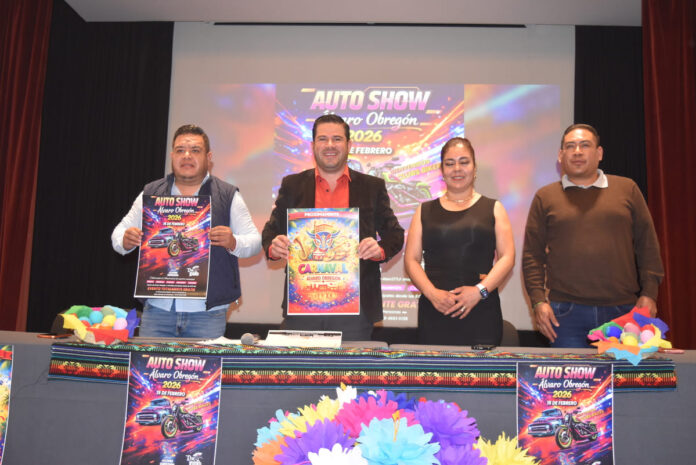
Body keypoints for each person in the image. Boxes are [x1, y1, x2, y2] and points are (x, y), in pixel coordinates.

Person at [262, 114, 404, 340]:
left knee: (350, 365)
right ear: (313, 145)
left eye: (337, 139)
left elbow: (395, 234)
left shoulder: (372, 186)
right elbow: (270, 232)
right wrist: (274, 246)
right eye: (323, 139)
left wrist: (379, 249)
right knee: (298, 364)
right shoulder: (293, 185)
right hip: (303, 304)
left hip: (355, 309)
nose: (330, 145)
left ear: (349, 145)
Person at [112, 124, 261, 338]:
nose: (187, 156)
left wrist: (233, 242)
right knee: (150, 361)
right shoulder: (151, 192)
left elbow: (255, 242)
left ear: (209, 157)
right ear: (172, 155)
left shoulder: (227, 195)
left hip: (207, 314)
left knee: (201, 363)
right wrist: (125, 241)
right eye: (180, 150)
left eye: (195, 150)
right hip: (158, 310)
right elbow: (119, 233)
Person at [522, 123, 664, 348]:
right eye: (570, 146)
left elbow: (647, 245)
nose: (577, 151)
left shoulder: (627, 189)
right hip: (565, 315)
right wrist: (538, 301)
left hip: (623, 311)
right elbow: (532, 256)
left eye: (585, 145)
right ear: (560, 155)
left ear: (599, 153)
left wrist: (650, 293)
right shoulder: (545, 197)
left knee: (621, 373)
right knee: (570, 373)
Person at [404, 137, 515, 345]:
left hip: (481, 310)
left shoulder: (494, 208)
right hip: (435, 311)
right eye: (450, 163)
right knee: (435, 367)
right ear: (442, 170)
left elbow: (507, 257)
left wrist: (479, 291)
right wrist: (432, 294)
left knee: (481, 368)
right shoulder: (424, 210)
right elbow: (411, 260)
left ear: (475, 168)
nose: (457, 169)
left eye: (464, 162)